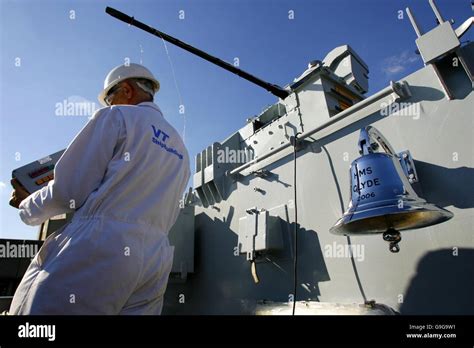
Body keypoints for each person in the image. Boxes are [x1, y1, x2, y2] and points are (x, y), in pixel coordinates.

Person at [8, 63, 190, 315]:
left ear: (126, 90)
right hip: (155, 261)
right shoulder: (180, 148)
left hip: (100, 248)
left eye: (109, 97)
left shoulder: (116, 117)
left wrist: (27, 205)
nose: (108, 105)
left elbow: (67, 193)